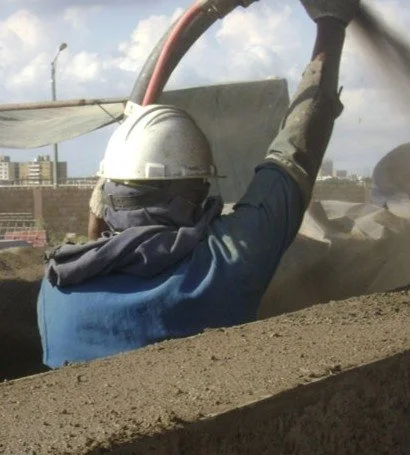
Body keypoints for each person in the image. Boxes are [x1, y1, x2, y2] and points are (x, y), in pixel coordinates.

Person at [37, 0, 359, 369]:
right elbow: (295, 154)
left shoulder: (56, 286)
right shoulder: (226, 265)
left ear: (109, 192)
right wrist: (331, 20)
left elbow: (98, 239)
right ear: (199, 192)